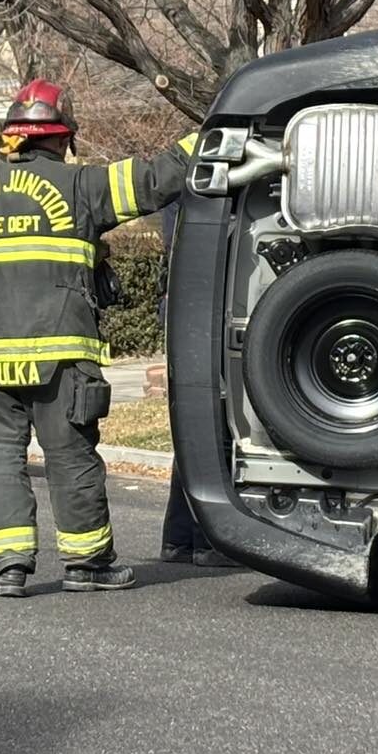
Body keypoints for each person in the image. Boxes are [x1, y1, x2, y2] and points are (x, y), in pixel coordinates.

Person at [0, 78, 192, 597]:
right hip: (57, 354)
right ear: (63, 138)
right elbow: (154, 180)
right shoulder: (79, 187)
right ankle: (87, 564)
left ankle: (9, 566)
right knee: (70, 455)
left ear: (15, 138)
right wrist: (210, 136)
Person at [157, 201, 234, 568]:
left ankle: (178, 539)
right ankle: (208, 542)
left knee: (196, 432)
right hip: (209, 317)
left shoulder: (186, 194)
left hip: (188, 317)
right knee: (217, 427)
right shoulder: (214, 200)